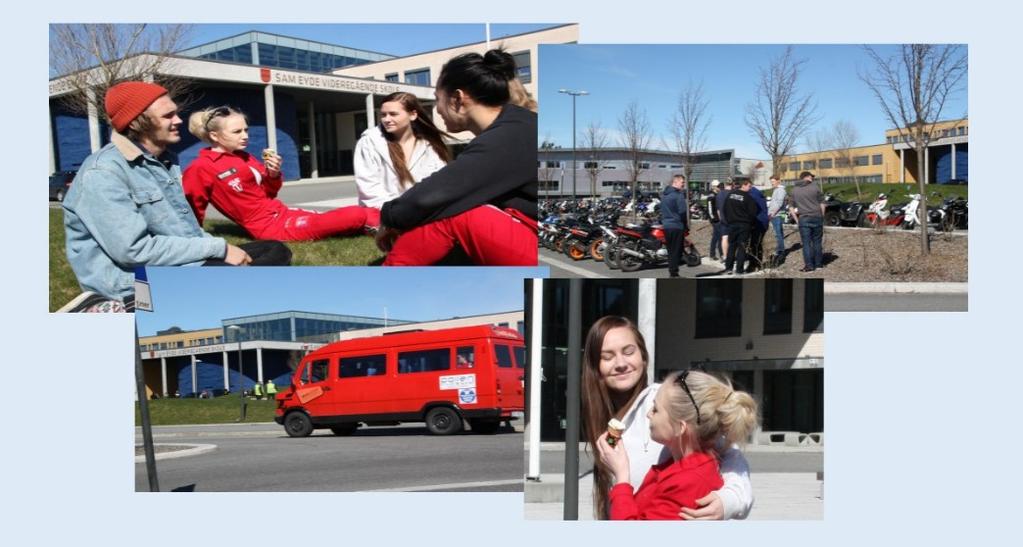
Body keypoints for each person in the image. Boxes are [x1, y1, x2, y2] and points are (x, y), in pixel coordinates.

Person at [62, 82, 286, 306]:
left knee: (275, 250)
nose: (179, 120)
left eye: (176, 113)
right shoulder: (103, 172)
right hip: (131, 283)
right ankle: (111, 307)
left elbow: (184, 230)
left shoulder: (165, 162)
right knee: (252, 284)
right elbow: (134, 251)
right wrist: (220, 248)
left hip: (176, 265)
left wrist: (219, 250)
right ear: (138, 122)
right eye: (168, 116)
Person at [581, 316, 753, 520]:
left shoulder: (667, 401)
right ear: (595, 366)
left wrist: (728, 500)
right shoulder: (601, 415)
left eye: (629, 352)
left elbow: (729, 455)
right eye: (607, 357)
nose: (620, 363)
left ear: (643, 356)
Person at [377, 49, 537, 266]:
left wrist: (388, 218)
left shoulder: (507, 137)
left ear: (457, 99)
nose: (438, 110)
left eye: (437, 100)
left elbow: (431, 196)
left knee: (457, 211)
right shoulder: (517, 125)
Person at [183, 106, 379, 241]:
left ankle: (391, 224)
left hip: (283, 213)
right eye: (237, 132)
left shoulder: (244, 156)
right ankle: (390, 228)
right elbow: (191, 207)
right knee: (355, 214)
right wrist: (194, 242)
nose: (245, 136)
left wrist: (273, 174)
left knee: (358, 214)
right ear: (214, 136)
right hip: (270, 228)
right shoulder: (202, 167)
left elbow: (269, 193)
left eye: (246, 129)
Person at [597, 370, 759, 520]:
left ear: (680, 428)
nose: (648, 414)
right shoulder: (682, 464)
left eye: (656, 409)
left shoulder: (687, 483)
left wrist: (622, 476)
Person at [354, 92, 451, 209]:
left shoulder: (429, 145)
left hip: (424, 215)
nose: (386, 119)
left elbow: (440, 183)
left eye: (393, 114)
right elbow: (369, 189)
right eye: (383, 115)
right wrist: (396, 213)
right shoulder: (370, 142)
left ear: (413, 115)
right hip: (384, 217)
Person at [789, 171, 826, 272]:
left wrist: (797, 220)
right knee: (817, 242)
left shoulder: (794, 190)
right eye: (811, 177)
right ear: (807, 177)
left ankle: (809, 266)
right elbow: (822, 203)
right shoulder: (815, 187)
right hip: (816, 216)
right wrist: (822, 216)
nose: (813, 178)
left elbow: (791, 207)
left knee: (806, 243)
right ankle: (818, 265)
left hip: (803, 218)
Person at [723, 178, 759, 276]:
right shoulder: (748, 198)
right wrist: (750, 223)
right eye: (749, 186)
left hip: (732, 224)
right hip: (744, 225)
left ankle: (728, 268)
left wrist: (728, 220)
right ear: (744, 185)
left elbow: (724, 209)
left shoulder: (730, 195)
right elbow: (753, 213)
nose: (750, 188)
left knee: (732, 246)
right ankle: (739, 270)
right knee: (742, 248)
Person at [660, 174, 688, 277]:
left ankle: (672, 271)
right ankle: (674, 273)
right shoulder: (678, 195)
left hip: (667, 226)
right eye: (682, 182)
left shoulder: (664, 195)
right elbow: (682, 212)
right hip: (677, 225)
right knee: (677, 250)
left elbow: (661, 210)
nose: (683, 184)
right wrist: (685, 225)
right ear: (675, 182)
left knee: (671, 250)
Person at [747, 181, 769, 272]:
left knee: (753, 244)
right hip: (763, 221)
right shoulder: (758, 194)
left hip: (757, 222)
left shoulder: (752, 195)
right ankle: (758, 263)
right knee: (758, 243)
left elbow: (751, 211)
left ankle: (753, 265)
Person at [767, 175, 788, 259]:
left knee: (778, 234)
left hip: (777, 215)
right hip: (775, 214)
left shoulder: (781, 190)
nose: (772, 183)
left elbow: (779, 203)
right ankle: (779, 249)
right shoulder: (776, 190)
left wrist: (772, 213)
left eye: (773, 182)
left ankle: (781, 251)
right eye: (771, 182)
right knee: (778, 234)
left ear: (778, 181)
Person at [714, 179, 733, 262]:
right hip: (733, 219)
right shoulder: (733, 193)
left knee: (724, 238)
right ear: (732, 184)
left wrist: (720, 218)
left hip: (723, 219)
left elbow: (718, 209)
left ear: (725, 185)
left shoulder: (719, 194)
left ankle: (725, 256)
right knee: (733, 239)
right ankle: (732, 256)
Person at [706, 180, 724, 261]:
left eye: (720, 186)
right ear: (714, 187)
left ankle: (712, 254)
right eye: (718, 186)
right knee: (720, 237)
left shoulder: (717, 195)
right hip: (716, 220)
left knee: (715, 237)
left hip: (718, 219)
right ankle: (721, 255)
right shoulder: (711, 196)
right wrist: (714, 219)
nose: (720, 187)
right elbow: (710, 209)